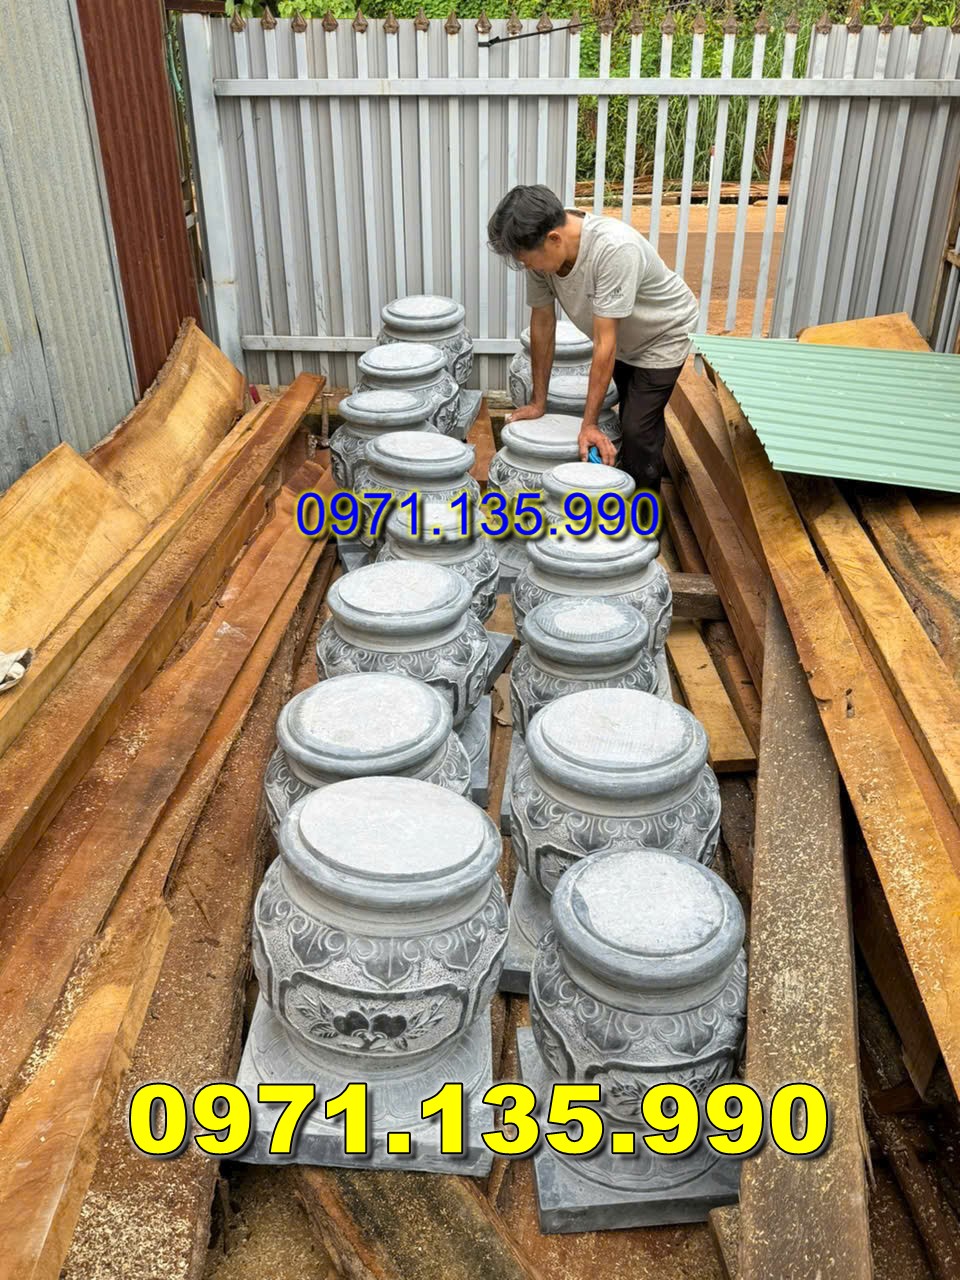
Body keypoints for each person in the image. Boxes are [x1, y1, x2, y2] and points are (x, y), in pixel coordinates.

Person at [487, 184, 699, 491]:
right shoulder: (540, 245)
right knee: (635, 415)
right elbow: (543, 324)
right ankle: (640, 467)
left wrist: (589, 425)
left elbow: (604, 344)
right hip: (624, 335)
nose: (526, 267)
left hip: (662, 333)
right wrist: (537, 402)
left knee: (637, 430)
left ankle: (644, 512)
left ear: (554, 239)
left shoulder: (614, 250)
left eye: (528, 260)